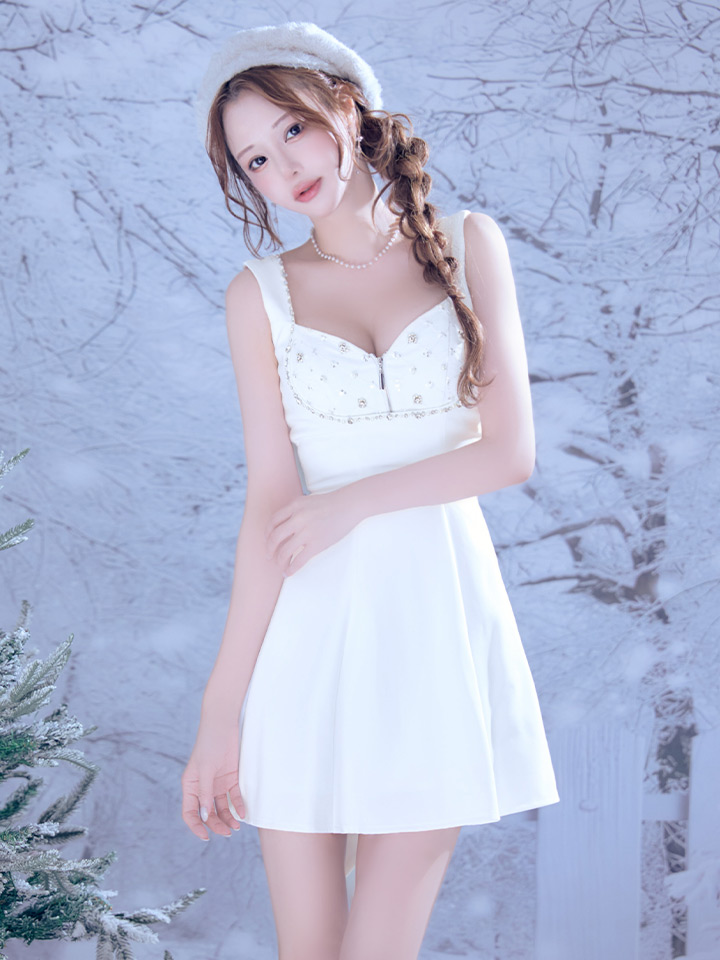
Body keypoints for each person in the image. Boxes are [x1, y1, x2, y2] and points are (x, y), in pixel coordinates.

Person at [182, 21, 560, 960]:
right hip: (306, 641)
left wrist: (349, 503)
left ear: (347, 106)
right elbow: (268, 510)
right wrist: (221, 713)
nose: (284, 168)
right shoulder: (257, 295)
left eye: (293, 130)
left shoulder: (468, 245)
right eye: (256, 160)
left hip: (436, 631)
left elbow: (510, 453)